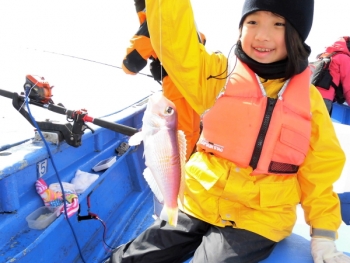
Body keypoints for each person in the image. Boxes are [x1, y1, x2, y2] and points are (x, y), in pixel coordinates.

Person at [107, 0, 350, 262]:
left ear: (296, 35)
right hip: (197, 199)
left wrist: (323, 235)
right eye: (252, 22)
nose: (261, 35)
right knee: (135, 257)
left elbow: (320, 172)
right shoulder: (217, 75)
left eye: (278, 24)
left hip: (260, 218)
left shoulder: (309, 100)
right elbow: (176, 43)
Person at [122, 0, 206, 161]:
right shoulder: (182, 15)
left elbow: (130, 64)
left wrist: (162, 65)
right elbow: (201, 39)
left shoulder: (154, 20)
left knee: (182, 138)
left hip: (178, 87)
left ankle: (182, 181)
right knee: (193, 132)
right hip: (198, 86)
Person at [313, 36, 350, 113]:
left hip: (308, 93)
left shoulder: (325, 55)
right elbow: (348, 87)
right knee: (319, 125)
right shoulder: (344, 58)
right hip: (323, 99)